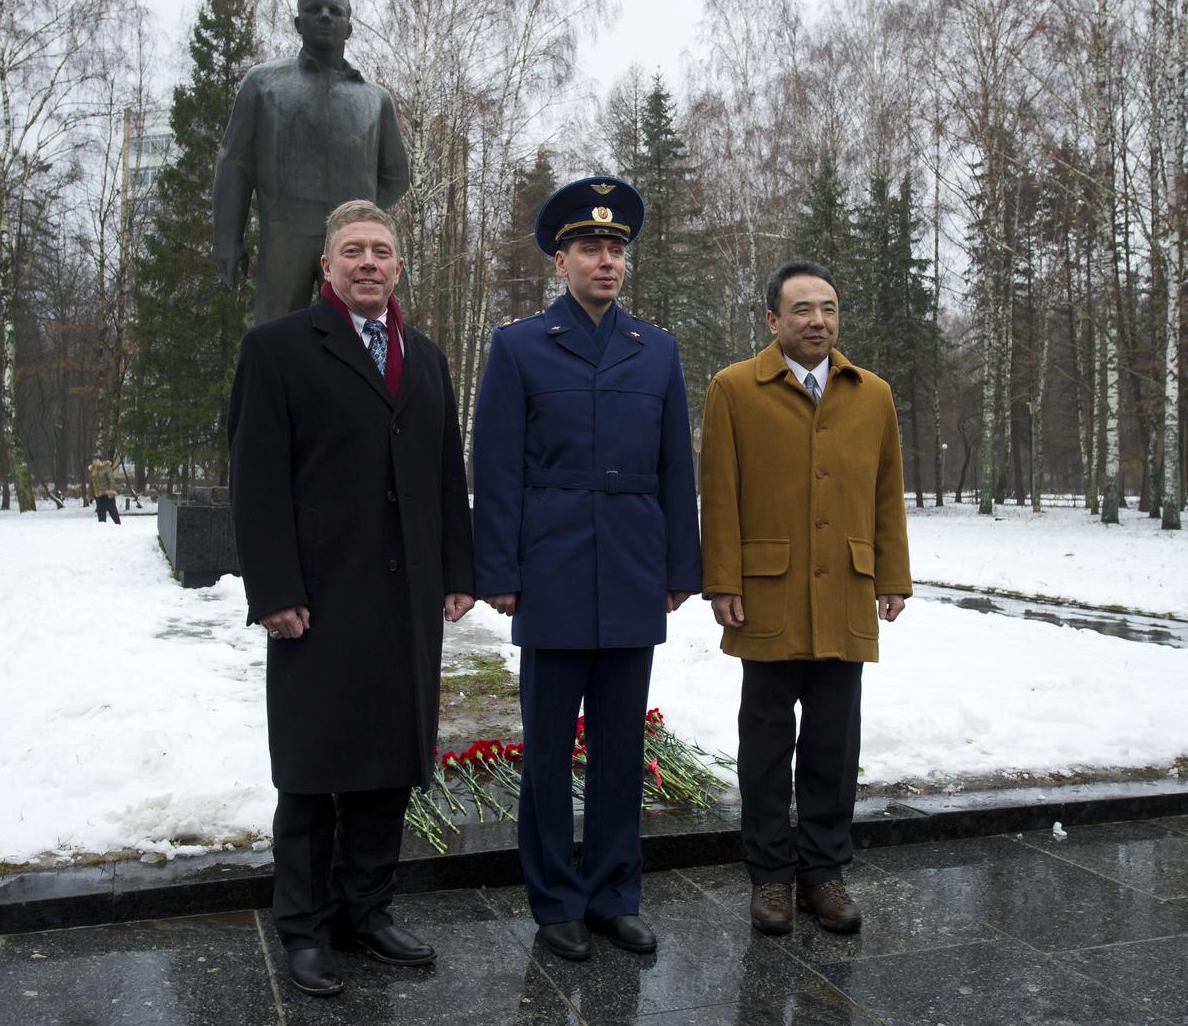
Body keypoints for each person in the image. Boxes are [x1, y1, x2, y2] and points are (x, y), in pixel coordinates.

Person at [227, 200, 474, 997]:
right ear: (327, 266)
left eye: (382, 251)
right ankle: (303, 927)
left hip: (405, 603)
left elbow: (445, 473)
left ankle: (365, 909)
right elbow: (256, 482)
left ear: (399, 267)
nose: (369, 262)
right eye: (353, 251)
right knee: (312, 770)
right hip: (319, 601)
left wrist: (458, 568)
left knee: (387, 765)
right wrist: (275, 590)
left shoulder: (425, 357)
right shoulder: (278, 350)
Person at [472, 176, 701, 962]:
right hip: (555, 567)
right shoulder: (519, 345)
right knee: (546, 748)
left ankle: (613, 893)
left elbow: (677, 467)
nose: (606, 260)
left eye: (616, 249)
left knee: (619, 746)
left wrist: (681, 565)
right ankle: (556, 899)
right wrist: (498, 567)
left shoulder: (657, 349)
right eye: (590, 248)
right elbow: (496, 468)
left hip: (634, 567)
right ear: (560, 260)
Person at [698, 259, 911, 936]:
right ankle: (769, 878)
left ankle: (823, 871)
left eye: (828, 308)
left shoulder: (872, 393)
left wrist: (892, 575)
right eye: (802, 309)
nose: (817, 320)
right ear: (772, 319)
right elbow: (720, 493)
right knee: (764, 741)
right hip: (767, 593)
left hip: (845, 590)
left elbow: (886, 492)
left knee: (832, 741)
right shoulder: (734, 389)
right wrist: (722, 579)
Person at [212, 0, 410, 324]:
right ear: (297, 23)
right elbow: (235, 165)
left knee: (358, 336)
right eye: (314, 9)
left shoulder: (374, 99)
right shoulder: (263, 84)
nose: (325, 16)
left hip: (351, 243)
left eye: (335, 11)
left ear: (349, 27)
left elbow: (396, 176)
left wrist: (356, 213)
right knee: (275, 339)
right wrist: (227, 240)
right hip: (283, 237)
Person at [88, 454, 120, 524]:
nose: (94, 462)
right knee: (100, 510)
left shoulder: (106, 468)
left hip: (107, 492)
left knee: (112, 509)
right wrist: (91, 494)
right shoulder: (92, 470)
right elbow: (92, 483)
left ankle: (118, 524)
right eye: (93, 460)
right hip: (98, 494)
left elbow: (111, 480)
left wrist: (111, 491)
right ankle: (102, 525)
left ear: (100, 460)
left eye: (96, 460)